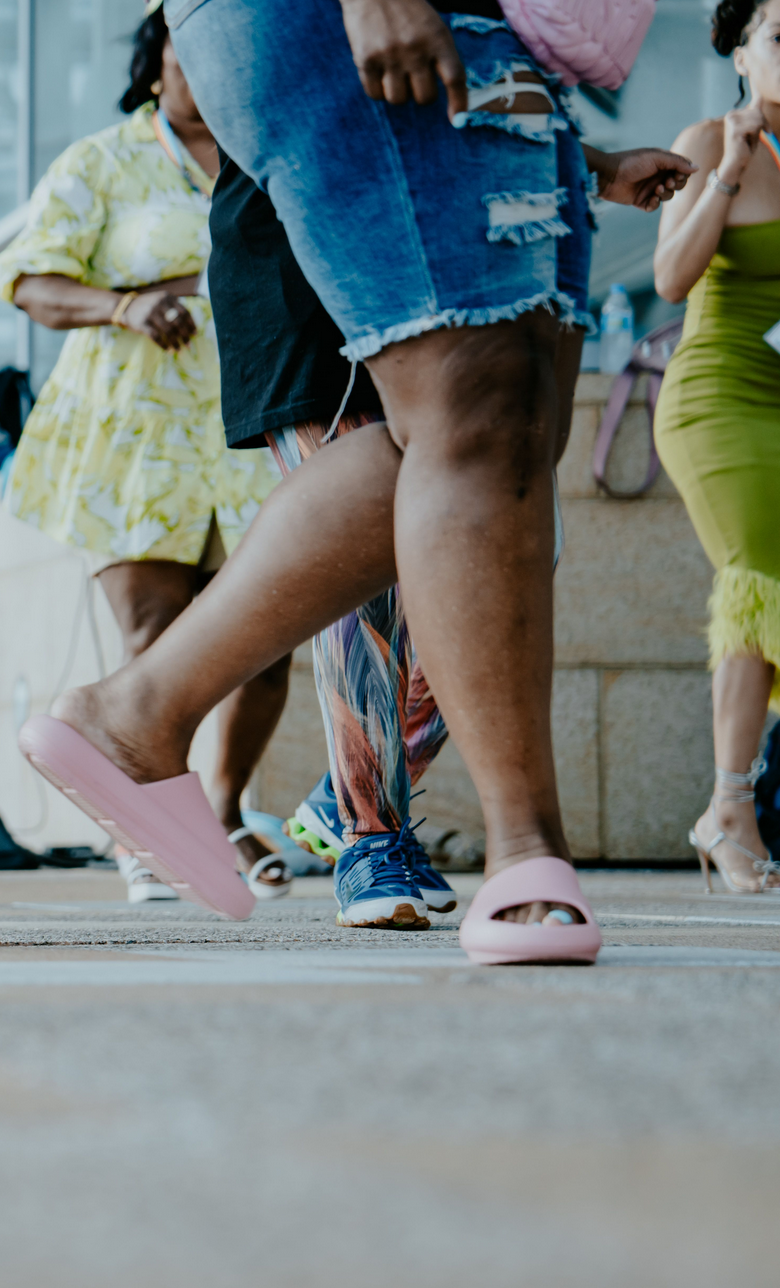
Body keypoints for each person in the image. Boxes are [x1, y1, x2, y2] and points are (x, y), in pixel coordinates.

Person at [17, 0, 694, 962]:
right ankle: (508, 847)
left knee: (507, 422)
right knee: (472, 407)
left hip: (487, 37)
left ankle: (139, 712)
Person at [0, 5, 293, 901]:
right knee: (152, 635)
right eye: (186, 46)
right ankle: (138, 825)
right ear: (156, 59)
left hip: (251, 416)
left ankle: (225, 807)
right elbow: (31, 279)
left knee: (268, 639)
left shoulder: (269, 155)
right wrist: (123, 306)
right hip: (137, 434)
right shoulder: (101, 160)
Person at [208, 149, 458, 928]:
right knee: (366, 576)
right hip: (306, 276)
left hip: (440, 269)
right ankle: (369, 834)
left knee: (501, 570)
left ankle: (342, 792)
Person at [653, 0, 780, 894]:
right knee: (759, 578)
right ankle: (728, 808)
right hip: (718, 400)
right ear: (740, 54)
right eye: (779, 36)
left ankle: (736, 808)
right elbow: (669, 278)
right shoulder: (706, 140)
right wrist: (730, 172)